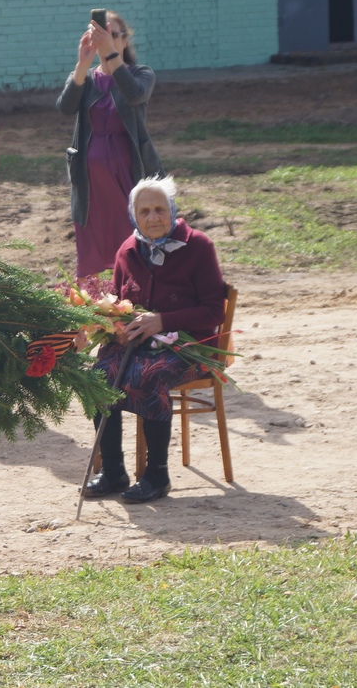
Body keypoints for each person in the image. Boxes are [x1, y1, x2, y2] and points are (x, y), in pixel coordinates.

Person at [82, 176, 225, 504]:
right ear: (133, 215)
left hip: (190, 347)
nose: (153, 217)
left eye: (160, 209)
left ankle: (157, 475)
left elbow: (214, 311)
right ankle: (114, 471)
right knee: (96, 378)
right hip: (138, 343)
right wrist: (107, 320)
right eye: (144, 211)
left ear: (173, 211)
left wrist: (163, 320)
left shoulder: (198, 247)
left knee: (147, 375)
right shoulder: (128, 250)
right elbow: (119, 301)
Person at [55, 10, 162, 278]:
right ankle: (95, 308)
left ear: (125, 41)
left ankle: (135, 294)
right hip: (90, 182)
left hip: (128, 172)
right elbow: (65, 107)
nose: (106, 41)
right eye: (100, 36)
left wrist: (111, 56)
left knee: (132, 234)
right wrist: (82, 63)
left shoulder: (141, 74)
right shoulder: (87, 78)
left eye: (113, 35)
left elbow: (135, 94)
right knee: (92, 244)